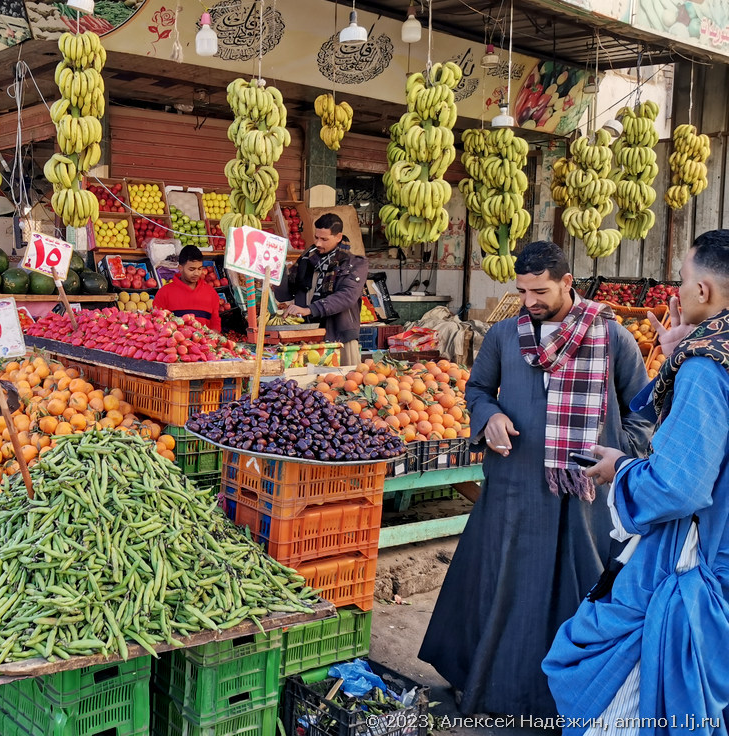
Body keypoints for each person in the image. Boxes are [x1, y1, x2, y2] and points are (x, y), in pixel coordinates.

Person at [418, 241, 651, 717]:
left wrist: (613, 453)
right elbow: (478, 389)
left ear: (568, 283)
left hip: (585, 496)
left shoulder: (612, 336)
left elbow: (643, 414)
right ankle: (492, 690)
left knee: (583, 594)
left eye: (540, 290)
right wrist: (490, 419)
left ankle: (576, 702)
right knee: (502, 590)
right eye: (522, 290)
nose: (530, 301)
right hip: (514, 487)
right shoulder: (505, 335)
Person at [544, 230, 729, 735]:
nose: (678, 291)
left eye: (683, 280)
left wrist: (619, 471)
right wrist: (677, 354)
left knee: (623, 702)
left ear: (704, 291)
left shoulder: (708, 367)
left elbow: (679, 485)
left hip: (696, 563)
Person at [280, 213, 368, 366]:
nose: (318, 243)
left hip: (339, 339)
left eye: (324, 239)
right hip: (307, 339)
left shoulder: (355, 264)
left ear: (338, 237)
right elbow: (285, 293)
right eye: (316, 237)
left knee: (341, 385)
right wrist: (275, 273)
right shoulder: (306, 260)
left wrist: (310, 309)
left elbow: (346, 296)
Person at [153, 244, 222, 332]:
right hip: (173, 344)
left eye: (200, 268)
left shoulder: (211, 293)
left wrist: (215, 336)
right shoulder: (164, 293)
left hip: (205, 344)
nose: (196, 273)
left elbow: (215, 321)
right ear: (180, 268)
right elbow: (157, 322)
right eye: (191, 269)